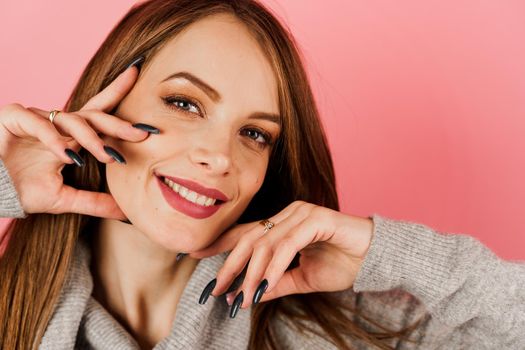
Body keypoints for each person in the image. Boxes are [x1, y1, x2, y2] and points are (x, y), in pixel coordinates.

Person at [0, 0, 523, 349]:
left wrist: (381, 251)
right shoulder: (11, 313)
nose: (222, 156)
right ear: (104, 106)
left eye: (255, 134)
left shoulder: (340, 329)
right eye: (185, 103)